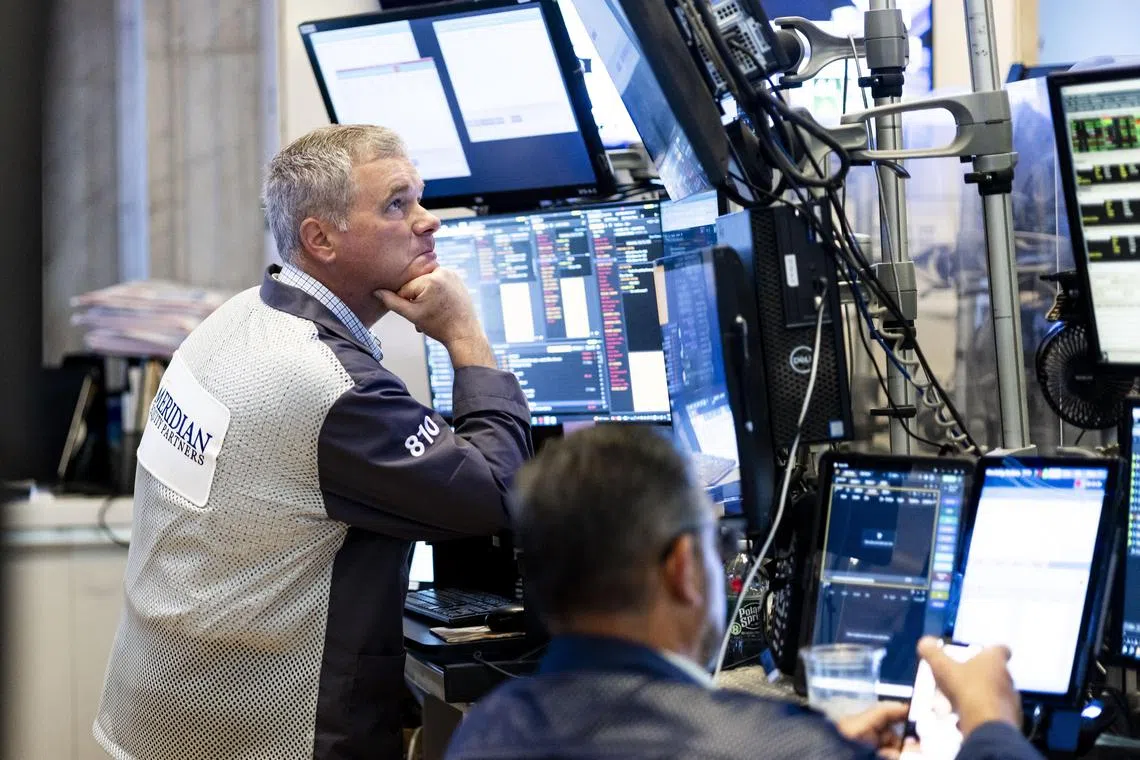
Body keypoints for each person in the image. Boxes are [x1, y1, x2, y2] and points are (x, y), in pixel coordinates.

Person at [94, 125, 533, 760]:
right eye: (396, 204)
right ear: (319, 238)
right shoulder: (330, 384)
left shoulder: (238, 319)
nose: (428, 221)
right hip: (267, 733)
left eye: (420, 197)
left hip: (159, 710)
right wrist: (465, 336)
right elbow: (494, 495)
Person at [445, 426, 1041, 760]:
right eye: (717, 541)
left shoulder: (486, 731)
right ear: (682, 567)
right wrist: (991, 725)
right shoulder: (768, 748)